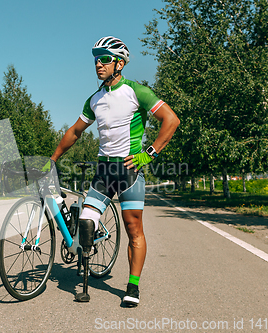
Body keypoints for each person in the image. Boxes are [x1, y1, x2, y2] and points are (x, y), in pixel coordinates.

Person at [46, 36, 180, 306]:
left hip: (129, 171)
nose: (99, 64)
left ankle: (133, 286)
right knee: (85, 222)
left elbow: (171, 119)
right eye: (96, 59)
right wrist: (52, 159)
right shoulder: (94, 100)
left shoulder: (136, 91)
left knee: (134, 229)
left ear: (120, 62)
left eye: (105, 59)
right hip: (103, 171)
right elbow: (74, 132)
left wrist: (149, 153)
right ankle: (88, 257)